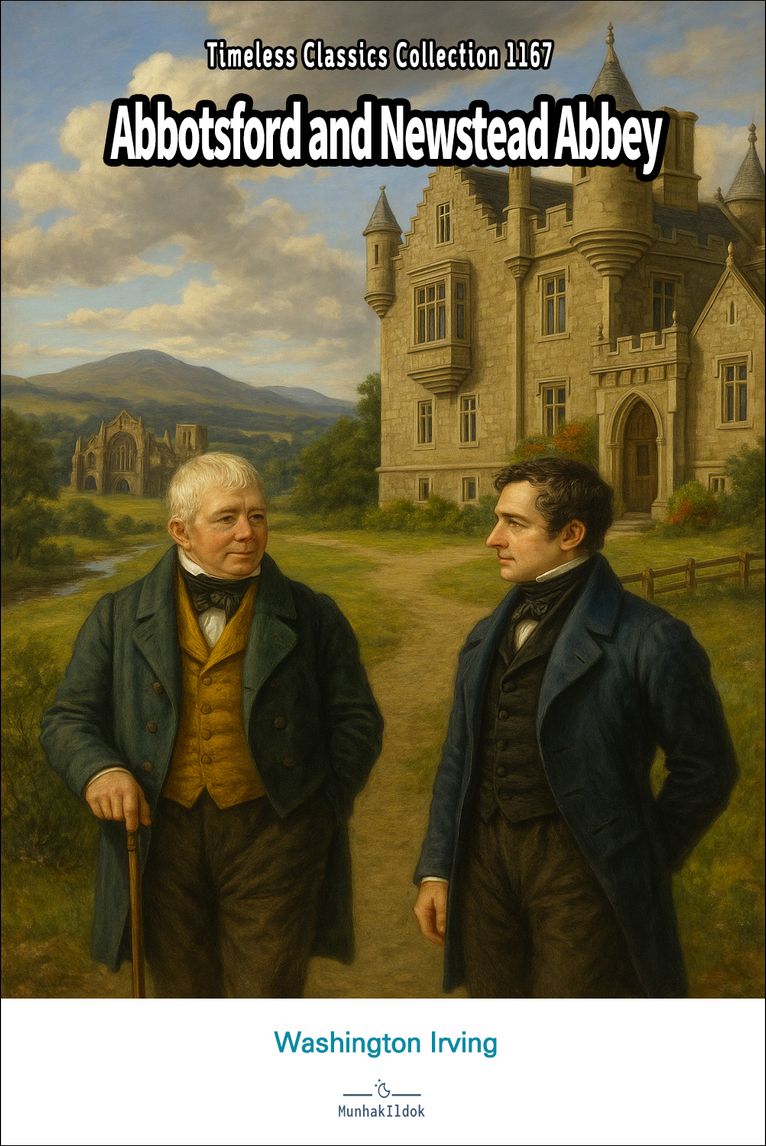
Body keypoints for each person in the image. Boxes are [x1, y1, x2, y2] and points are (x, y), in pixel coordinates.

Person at [41, 452, 383, 997]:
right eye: (227, 518)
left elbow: (357, 721)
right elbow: (68, 718)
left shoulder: (315, 615)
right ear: (181, 531)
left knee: (266, 998)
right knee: (184, 999)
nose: (248, 532)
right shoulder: (117, 615)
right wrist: (101, 771)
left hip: (276, 836)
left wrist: (317, 807)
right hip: (161, 839)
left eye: (257, 516)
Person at [413, 456, 737, 998]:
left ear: (571, 534)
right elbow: (459, 756)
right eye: (497, 520)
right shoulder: (484, 634)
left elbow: (707, 769)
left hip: (583, 871)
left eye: (514, 524)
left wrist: (640, 857)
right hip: (484, 867)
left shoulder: (651, 637)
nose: (493, 538)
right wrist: (438, 869)